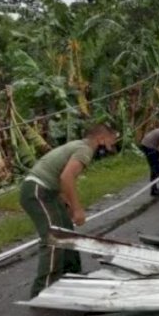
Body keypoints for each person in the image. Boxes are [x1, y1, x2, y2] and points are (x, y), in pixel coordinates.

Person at [20, 123, 118, 297]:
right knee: (54, 238)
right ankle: (44, 290)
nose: (112, 145)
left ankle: (70, 275)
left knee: (66, 232)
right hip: (38, 191)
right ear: (101, 138)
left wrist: (68, 205)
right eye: (112, 141)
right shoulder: (85, 149)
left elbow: (61, 179)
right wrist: (78, 209)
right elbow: (67, 178)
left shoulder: (80, 146)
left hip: (49, 192)